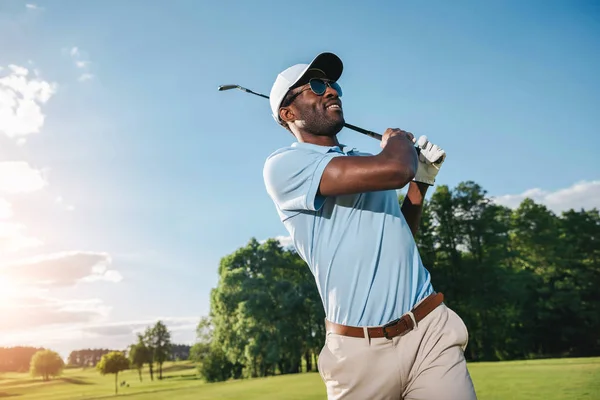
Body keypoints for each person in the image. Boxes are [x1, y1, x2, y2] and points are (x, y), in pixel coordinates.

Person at [262, 52, 477, 400]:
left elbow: (398, 234)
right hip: (358, 352)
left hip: (429, 331)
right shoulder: (285, 165)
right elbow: (395, 170)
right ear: (288, 114)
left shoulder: (365, 162)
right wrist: (399, 141)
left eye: (333, 85)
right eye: (316, 86)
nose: (331, 91)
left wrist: (420, 183)